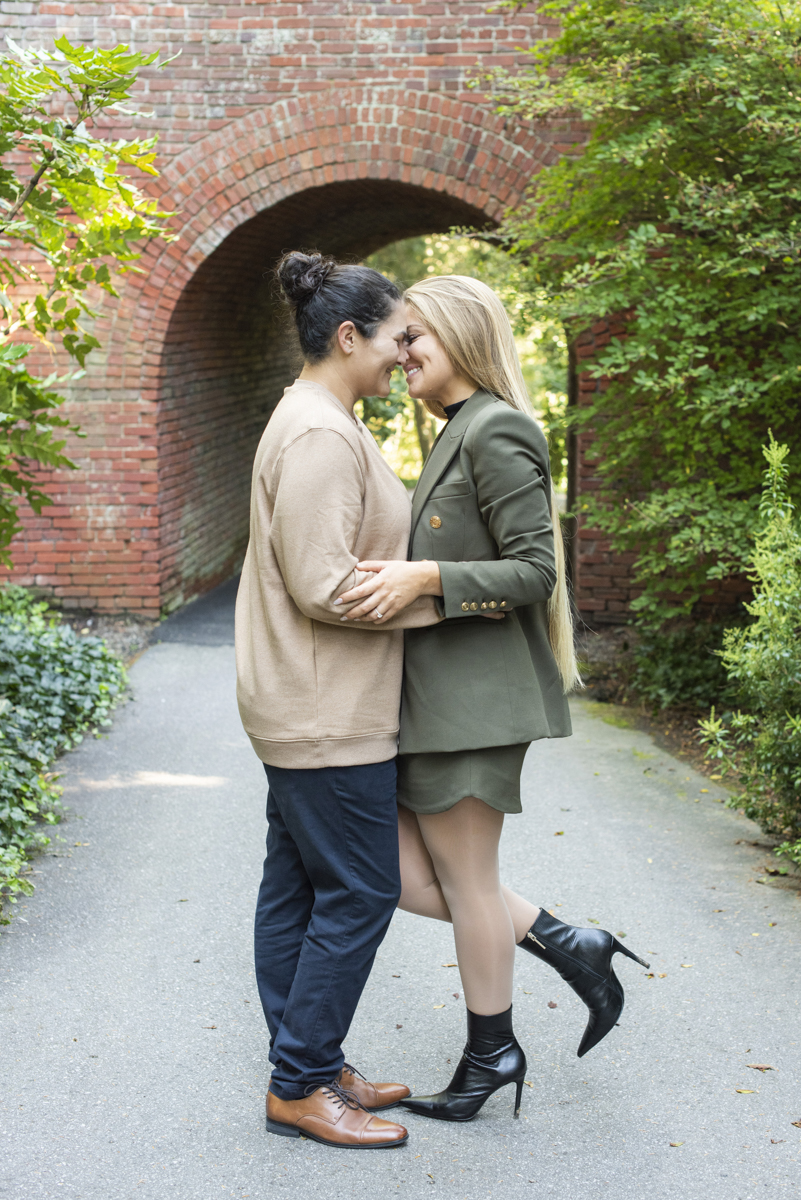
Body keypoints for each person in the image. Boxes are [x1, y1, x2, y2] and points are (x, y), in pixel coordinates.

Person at [336, 275, 649, 1122]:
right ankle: (566, 942)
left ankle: (491, 1054)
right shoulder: (453, 433)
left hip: (474, 704)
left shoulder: (498, 427)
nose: (401, 354)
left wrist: (425, 575)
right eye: (398, 340)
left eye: (414, 338)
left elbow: (535, 572)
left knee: (467, 885)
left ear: (461, 337)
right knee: (395, 873)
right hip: (435, 701)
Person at [234, 251, 443, 1149]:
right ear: (348, 336)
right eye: (398, 337)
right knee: (359, 889)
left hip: (304, 700)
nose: (407, 352)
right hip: (326, 709)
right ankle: (299, 1085)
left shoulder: (317, 417)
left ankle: (309, 1060)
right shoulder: (320, 431)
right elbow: (323, 582)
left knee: (299, 889)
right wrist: (437, 596)